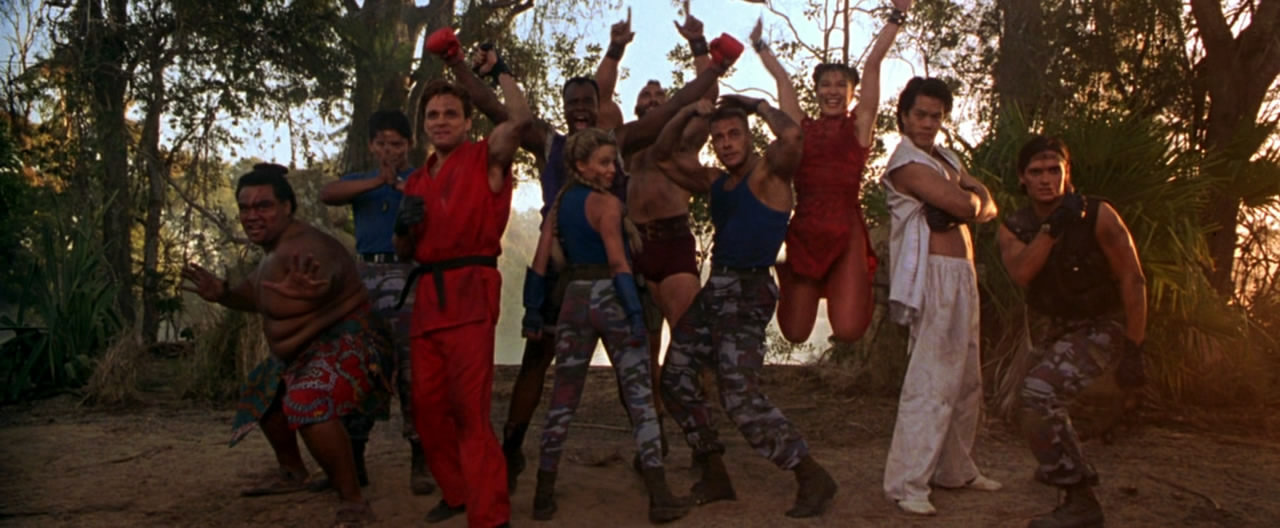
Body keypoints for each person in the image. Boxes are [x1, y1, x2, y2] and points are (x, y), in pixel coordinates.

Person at [431, 18, 743, 491]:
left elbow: (673, 106)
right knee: (538, 362)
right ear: (563, 107)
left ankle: (673, 455)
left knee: (631, 369)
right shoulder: (548, 143)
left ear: (599, 107)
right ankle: (512, 452)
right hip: (561, 274)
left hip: (616, 272)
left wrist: (714, 66)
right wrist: (457, 63)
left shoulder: (619, 144)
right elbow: (494, 108)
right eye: (572, 103)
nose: (579, 109)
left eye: (586, 102)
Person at [653, 94, 838, 518]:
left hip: (748, 290)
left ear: (749, 138)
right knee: (675, 377)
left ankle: (810, 474)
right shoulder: (717, 182)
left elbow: (792, 137)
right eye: (718, 137)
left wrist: (756, 105)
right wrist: (687, 112)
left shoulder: (769, 174)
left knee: (739, 396)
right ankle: (714, 471)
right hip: (716, 288)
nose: (726, 143)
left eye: (734, 134)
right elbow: (662, 156)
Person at [182, 163, 388, 527]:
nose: (252, 215)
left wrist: (316, 289)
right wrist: (223, 293)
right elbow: (254, 295)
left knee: (307, 398)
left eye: (263, 206)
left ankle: (353, 501)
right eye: (245, 208)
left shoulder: (305, 245)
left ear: (287, 207)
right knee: (263, 386)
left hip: (355, 346)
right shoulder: (272, 254)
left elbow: (324, 270)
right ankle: (292, 471)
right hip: (304, 353)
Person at [521, 128, 690, 523]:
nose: (613, 169)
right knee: (640, 396)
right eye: (604, 162)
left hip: (574, 299)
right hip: (610, 296)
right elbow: (618, 262)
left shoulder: (560, 206)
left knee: (563, 398)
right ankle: (660, 495)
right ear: (581, 166)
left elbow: (540, 261)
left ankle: (543, 494)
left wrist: (533, 312)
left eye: (614, 161)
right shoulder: (608, 205)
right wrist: (635, 315)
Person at [395, 28, 529, 528]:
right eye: (433, 115)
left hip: (472, 294)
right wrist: (401, 230)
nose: (441, 121)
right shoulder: (415, 180)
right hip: (428, 299)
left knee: (470, 412)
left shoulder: (487, 157)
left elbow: (519, 120)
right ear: (424, 125)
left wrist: (480, 68)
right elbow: (405, 251)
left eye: (451, 113)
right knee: (428, 409)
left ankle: (490, 515)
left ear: (468, 121)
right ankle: (455, 492)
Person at [997, 136, 1147, 528]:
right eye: (1036, 172)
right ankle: (1059, 462)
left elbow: (1132, 279)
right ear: (1022, 178)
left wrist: (1135, 347)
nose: (1046, 179)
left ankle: (1080, 500)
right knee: (1022, 403)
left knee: (1038, 394)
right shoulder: (1015, 227)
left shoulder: (1099, 215)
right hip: (1054, 329)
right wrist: (1052, 229)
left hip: (1102, 326)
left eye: (1054, 170)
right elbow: (1023, 273)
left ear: (1067, 174)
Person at [880, 77, 1002, 516]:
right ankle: (907, 483)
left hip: (962, 273)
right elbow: (969, 205)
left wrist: (969, 201)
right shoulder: (906, 164)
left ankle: (955, 469)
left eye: (936, 116)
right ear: (904, 116)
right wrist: (969, 201)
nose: (929, 123)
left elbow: (986, 206)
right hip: (931, 275)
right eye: (920, 115)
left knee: (966, 378)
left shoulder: (945, 158)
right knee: (931, 379)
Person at [759, 0, 912, 347]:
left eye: (841, 85)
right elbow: (781, 78)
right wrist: (758, 42)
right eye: (825, 84)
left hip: (846, 227)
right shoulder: (801, 129)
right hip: (806, 227)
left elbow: (873, 63)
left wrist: (897, 16)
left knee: (848, 329)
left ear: (852, 93)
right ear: (816, 92)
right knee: (795, 332)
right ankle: (794, 279)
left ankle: (850, 282)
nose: (832, 91)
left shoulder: (858, 126)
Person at [318, 109, 435, 496]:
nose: (389, 151)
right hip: (365, 275)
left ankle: (419, 455)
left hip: (407, 275)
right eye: (382, 143)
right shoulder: (360, 181)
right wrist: (377, 182)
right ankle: (355, 457)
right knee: (361, 365)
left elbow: (436, 207)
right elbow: (327, 194)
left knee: (411, 369)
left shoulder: (419, 180)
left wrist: (403, 188)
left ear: (409, 146)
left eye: (397, 144)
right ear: (371, 145)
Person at [620, 3, 719, 439]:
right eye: (647, 96)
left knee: (689, 337)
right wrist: (616, 48)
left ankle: (703, 433)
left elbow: (707, 97)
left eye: (661, 96)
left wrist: (699, 45)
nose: (654, 101)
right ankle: (652, 430)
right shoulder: (624, 143)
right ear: (636, 106)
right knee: (643, 348)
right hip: (634, 247)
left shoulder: (682, 141)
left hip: (674, 241)